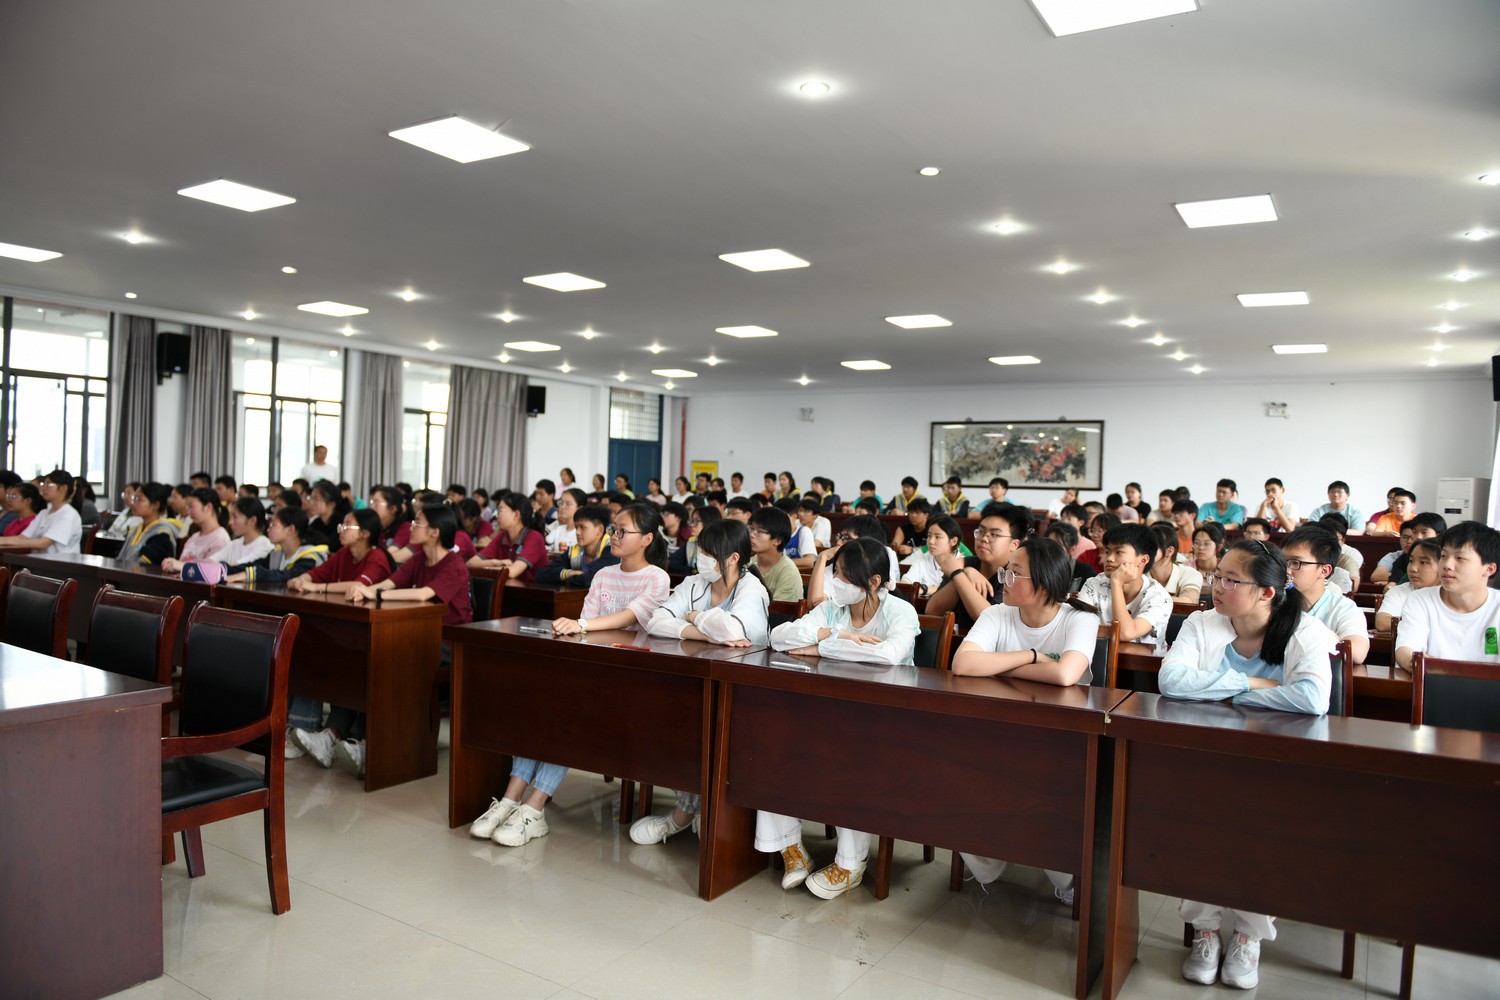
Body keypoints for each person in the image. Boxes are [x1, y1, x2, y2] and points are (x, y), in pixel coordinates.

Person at [1159, 540, 1336, 989]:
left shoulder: (1305, 632)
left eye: (1230, 580)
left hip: (1276, 767)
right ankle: (1204, 930)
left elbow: (1312, 698)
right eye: (1216, 575)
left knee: (1261, 837)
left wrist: (1224, 689)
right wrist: (1255, 683)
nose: (1216, 586)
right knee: (1197, 827)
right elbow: (1171, 680)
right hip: (1208, 758)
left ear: (1267, 593)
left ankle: (1248, 936)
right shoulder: (1202, 622)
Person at [471, 503, 670, 847]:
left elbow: (626, 618)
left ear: (647, 539)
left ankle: (534, 808)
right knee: (541, 702)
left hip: (630, 681)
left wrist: (582, 625)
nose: (614, 536)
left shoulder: (657, 577)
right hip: (592, 671)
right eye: (614, 529)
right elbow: (588, 627)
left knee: (565, 713)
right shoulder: (604, 574)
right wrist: (583, 627)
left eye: (623, 531)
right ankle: (510, 799)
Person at [756, 537, 919, 899]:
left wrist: (819, 648)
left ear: (873, 582)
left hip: (884, 721)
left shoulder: (900, 612)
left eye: (844, 575)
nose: (836, 582)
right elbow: (778, 637)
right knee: (770, 744)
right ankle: (791, 848)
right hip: (828, 710)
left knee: (852, 757)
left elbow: (888, 655)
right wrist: (835, 634)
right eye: (836, 572)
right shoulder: (833, 610)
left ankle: (850, 864)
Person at [952, 535, 1100, 905]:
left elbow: (1065, 674)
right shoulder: (997, 614)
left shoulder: (1080, 619)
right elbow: (963, 664)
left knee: (1050, 794)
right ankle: (993, 857)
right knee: (960, 776)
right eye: (1006, 571)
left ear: (1045, 585)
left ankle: (1063, 873)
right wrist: (1032, 656)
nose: (1004, 579)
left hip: (1060, 742)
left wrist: (996, 667)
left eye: (1014, 573)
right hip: (998, 735)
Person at [631, 520, 770, 844]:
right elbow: (656, 621)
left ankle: (687, 814)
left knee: (706, 735)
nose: (701, 559)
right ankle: (692, 810)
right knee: (670, 727)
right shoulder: (695, 583)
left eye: (709, 553)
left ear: (733, 558)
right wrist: (702, 632)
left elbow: (735, 630)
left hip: (744, 695)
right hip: (695, 682)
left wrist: (693, 616)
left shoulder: (752, 589)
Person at [343, 504, 473, 775]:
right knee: (368, 654)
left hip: (449, 643)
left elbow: (423, 594)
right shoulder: (418, 559)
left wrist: (376, 594)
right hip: (417, 636)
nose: (411, 527)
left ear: (435, 532)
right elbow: (390, 583)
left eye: (418, 523)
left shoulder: (455, 564)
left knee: (390, 659)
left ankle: (382, 746)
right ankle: (360, 740)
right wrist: (363, 590)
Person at [283, 508, 395, 764]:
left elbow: (359, 586)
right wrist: (301, 579)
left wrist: (316, 587)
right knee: (304, 645)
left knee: (323, 654)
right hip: (343, 630)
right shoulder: (344, 554)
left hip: (371, 635)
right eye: (341, 525)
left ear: (365, 533)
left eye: (347, 526)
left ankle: (314, 729)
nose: (341, 531)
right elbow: (317, 572)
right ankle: (304, 727)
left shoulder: (377, 558)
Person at [1395, 522, 1500, 668]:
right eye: (1443, 556)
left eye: (1460, 558)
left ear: (1489, 569)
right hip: (1432, 682)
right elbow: (1406, 650)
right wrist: (1416, 663)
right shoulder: (1421, 600)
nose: (1446, 565)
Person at [926, 502, 1032, 631]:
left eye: (994, 534)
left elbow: (990, 620)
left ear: (1014, 544)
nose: (984, 538)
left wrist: (959, 575)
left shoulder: (1015, 575)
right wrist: (965, 571)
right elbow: (932, 612)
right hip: (960, 640)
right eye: (981, 532)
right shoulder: (964, 564)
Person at [1281, 525, 1369, 664]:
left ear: (1324, 571)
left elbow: (1356, 653)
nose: (1286, 571)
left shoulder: (1343, 608)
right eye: (1282, 562)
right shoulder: (1271, 601)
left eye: (1295, 563)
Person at [1079, 522, 1172, 651]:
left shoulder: (1159, 597)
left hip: (1141, 662)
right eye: (1107, 551)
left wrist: (1117, 583)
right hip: (1096, 658)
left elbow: (1125, 633)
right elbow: (1078, 628)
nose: (1109, 558)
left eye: (1119, 552)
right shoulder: (1093, 585)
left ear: (1143, 560)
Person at [806, 515, 901, 606]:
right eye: (840, 537)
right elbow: (814, 604)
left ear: (867, 542)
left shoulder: (881, 561)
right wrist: (822, 557)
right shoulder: (834, 568)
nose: (838, 542)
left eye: (846, 538)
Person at [224, 507, 329, 584]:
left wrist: (253, 574)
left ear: (290, 529)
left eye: (273, 525)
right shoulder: (277, 554)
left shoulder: (310, 557)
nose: (268, 529)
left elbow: (288, 576)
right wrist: (224, 568)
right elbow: (254, 566)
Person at [469, 491, 548, 585]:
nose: (497, 516)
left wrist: (485, 567)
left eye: (500, 510)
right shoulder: (503, 536)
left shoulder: (534, 538)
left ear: (516, 515)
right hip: (509, 589)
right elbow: (471, 563)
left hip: (533, 592)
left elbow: (512, 572)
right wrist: (495, 562)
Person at [0, 469, 83, 554]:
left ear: (63, 488)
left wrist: (6, 541)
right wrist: (3, 540)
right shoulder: (43, 513)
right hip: (39, 561)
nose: (43, 489)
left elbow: (43, 543)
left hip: (59, 562)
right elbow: (22, 538)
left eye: (48, 485)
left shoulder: (68, 514)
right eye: (43, 484)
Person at [535, 504, 617, 585]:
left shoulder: (612, 549)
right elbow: (541, 574)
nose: (577, 532)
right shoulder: (575, 550)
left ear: (599, 529)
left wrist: (568, 578)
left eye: (583, 527)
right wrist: (568, 573)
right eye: (576, 527)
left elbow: (589, 579)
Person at [1375, 538, 1441, 633]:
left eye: (1423, 562)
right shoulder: (1399, 591)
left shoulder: (1453, 595)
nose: (1413, 568)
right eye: (1411, 561)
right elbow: (1382, 623)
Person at [162, 488, 231, 571]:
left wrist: (180, 565)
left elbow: (210, 572)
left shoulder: (220, 538)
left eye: (191, 506)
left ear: (208, 507)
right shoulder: (194, 537)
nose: (188, 512)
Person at [900, 513, 966, 596]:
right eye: (929, 536)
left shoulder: (965, 564)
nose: (931, 541)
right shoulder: (923, 560)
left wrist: (924, 589)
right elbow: (905, 584)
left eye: (937, 537)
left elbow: (956, 590)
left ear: (953, 541)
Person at [747, 506, 804, 602]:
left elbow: (779, 609)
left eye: (760, 531)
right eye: (751, 529)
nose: (752, 535)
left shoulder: (787, 570)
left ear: (777, 540)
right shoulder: (749, 562)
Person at [1372, 512, 1446, 585]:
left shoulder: (1447, 556)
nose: (1418, 537)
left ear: (1438, 534)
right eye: (1415, 532)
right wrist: (1392, 583)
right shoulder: (1403, 558)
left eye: (1424, 532)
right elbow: (1397, 580)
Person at [117, 482, 178, 566]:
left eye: (139, 500)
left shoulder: (162, 534)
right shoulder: (135, 530)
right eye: (134, 499)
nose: (133, 503)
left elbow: (145, 565)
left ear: (155, 505)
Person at [204, 497, 275, 567]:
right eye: (230, 517)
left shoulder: (265, 546)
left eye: (235, 517)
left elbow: (239, 567)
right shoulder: (234, 545)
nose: (230, 522)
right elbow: (210, 561)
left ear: (252, 520)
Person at [1149, 522, 1203, 604]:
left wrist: (1146, 600)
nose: (1144, 551)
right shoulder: (1138, 573)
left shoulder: (1190, 574)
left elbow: (1188, 602)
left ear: (1169, 551)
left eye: (1151, 547)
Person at [778, 499, 817, 568]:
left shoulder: (803, 531)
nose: (778, 521)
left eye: (782, 518)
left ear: (794, 517)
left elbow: (810, 561)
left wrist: (780, 563)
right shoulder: (774, 532)